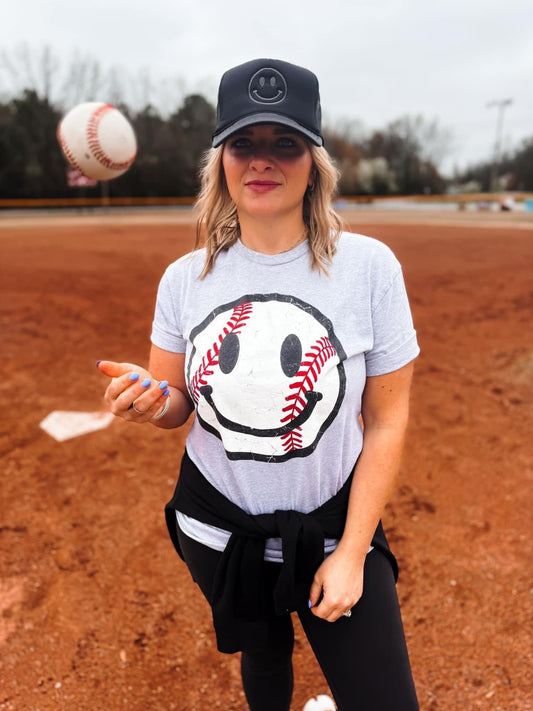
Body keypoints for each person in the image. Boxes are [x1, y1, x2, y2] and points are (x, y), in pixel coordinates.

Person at [98, 58, 420, 711]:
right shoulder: (184, 279)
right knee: (263, 652)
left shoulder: (368, 268)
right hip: (220, 526)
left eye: (285, 144)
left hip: (330, 527)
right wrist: (149, 399)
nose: (261, 160)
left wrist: (354, 550)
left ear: (314, 161)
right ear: (221, 158)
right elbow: (175, 404)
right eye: (243, 143)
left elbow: (386, 419)